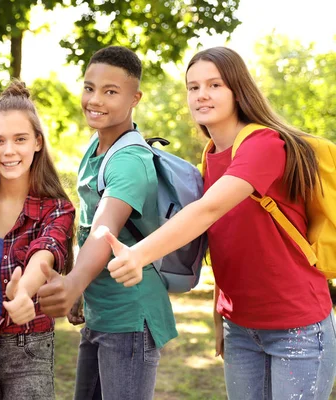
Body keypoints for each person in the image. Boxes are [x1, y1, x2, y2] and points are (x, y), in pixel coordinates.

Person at [104, 46, 336, 399]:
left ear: (237, 90)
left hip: (297, 328)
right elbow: (226, 241)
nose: (202, 95)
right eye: (193, 87)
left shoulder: (264, 144)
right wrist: (220, 318)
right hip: (240, 328)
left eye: (214, 85)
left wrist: (138, 255)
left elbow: (207, 211)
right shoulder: (211, 154)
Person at [37, 46, 177, 400]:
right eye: (89, 88)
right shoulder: (95, 147)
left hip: (130, 318)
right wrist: (79, 287)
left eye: (110, 91)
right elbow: (86, 228)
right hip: (102, 314)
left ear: (135, 98)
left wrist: (72, 283)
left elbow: (104, 227)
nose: (95, 100)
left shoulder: (129, 160)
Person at [0, 80, 75, 400]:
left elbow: (45, 252)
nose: (8, 151)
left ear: (37, 142)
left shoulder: (58, 207)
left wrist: (23, 292)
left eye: (20, 139)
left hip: (28, 348)